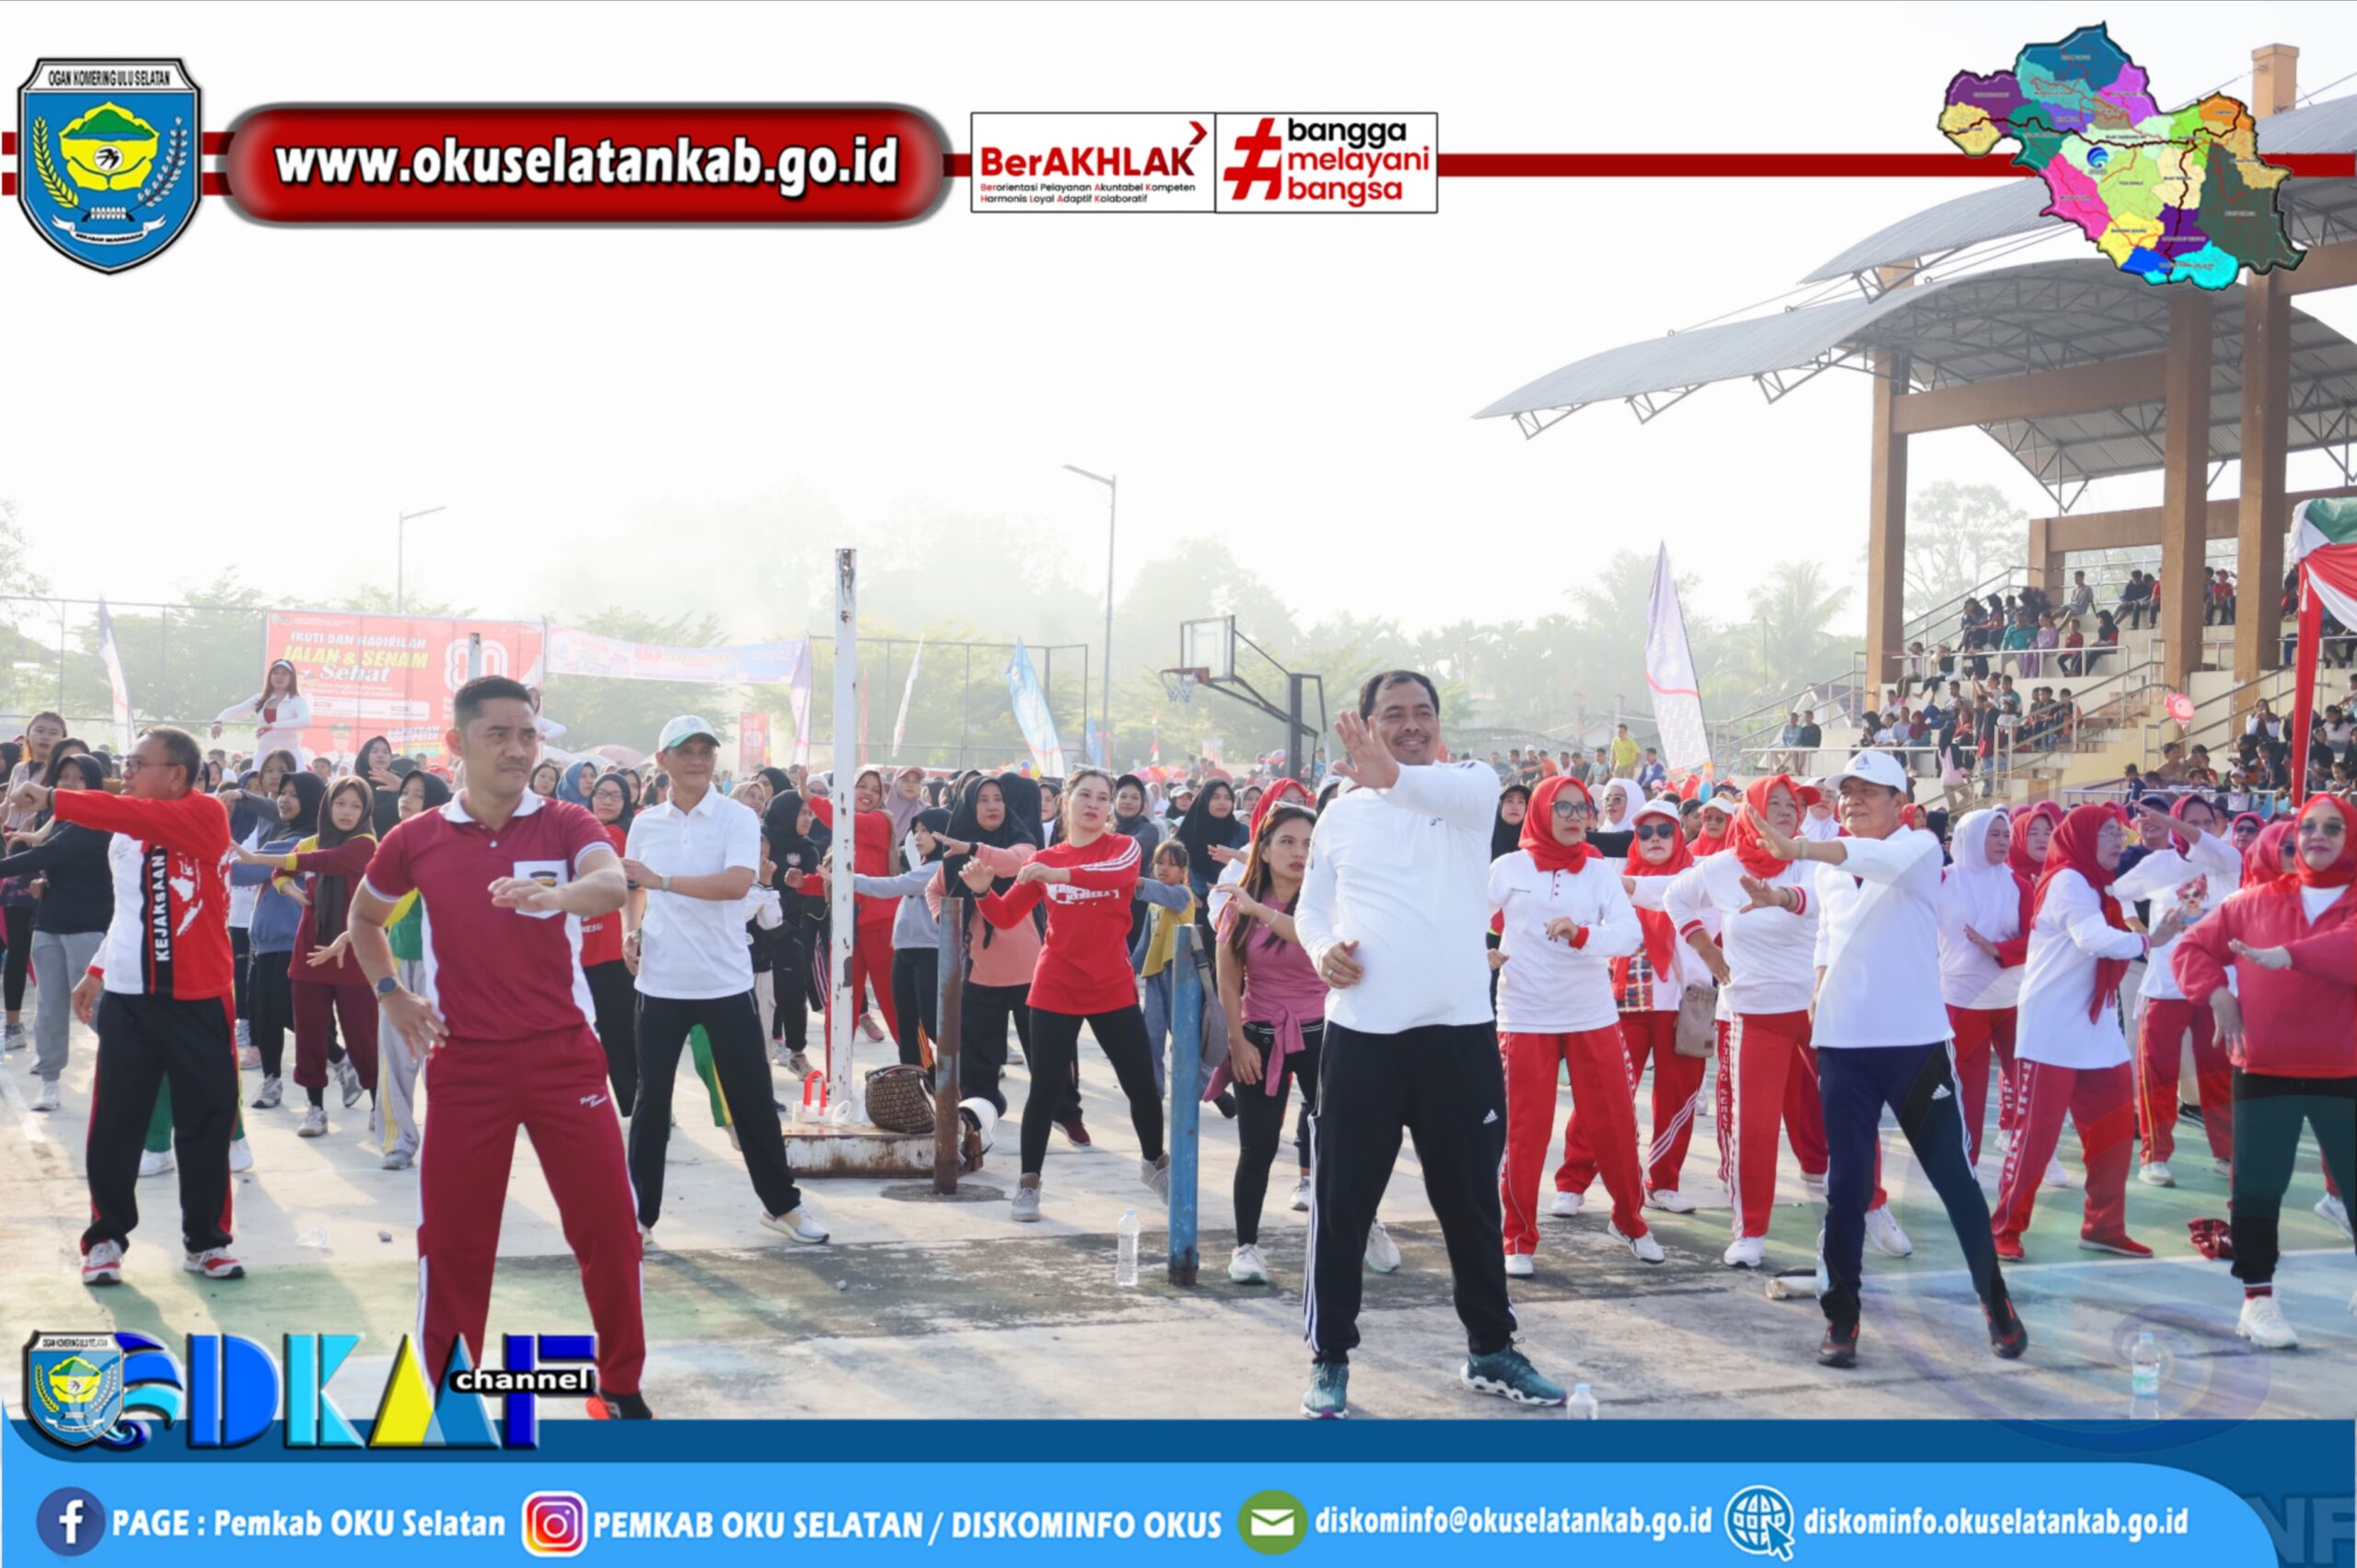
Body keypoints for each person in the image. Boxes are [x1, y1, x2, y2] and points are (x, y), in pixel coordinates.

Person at [343, 677, 647, 1416]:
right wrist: (391, 992)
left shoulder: (567, 821)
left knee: (610, 1228)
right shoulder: (415, 838)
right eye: (499, 734)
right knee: (455, 1240)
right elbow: (364, 919)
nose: (517, 749)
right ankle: (448, 1395)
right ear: (457, 742)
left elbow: (611, 883)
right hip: (465, 1064)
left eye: (528, 734)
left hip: (565, 1057)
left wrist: (558, 896)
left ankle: (619, 1384)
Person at [1294, 672, 1566, 1418]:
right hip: (1363, 1037)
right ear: (1367, 723)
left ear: (1439, 724)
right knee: (1342, 1207)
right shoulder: (1339, 817)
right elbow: (1312, 907)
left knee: (1472, 1205)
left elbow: (1411, 784)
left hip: (1458, 1036)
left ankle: (1491, 1349)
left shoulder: (1469, 788)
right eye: (1394, 714)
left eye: (1422, 712)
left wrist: (1388, 772)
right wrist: (1320, 949)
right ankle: (1329, 1355)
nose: (1411, 724)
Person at [1742, 751, 2026, 1367]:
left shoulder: (1918, 849)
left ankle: (1994, 1299)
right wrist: (1816, 978)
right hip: (1844, 1047)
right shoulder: (1830, 868)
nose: (1852, 800)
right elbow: (1827, 926)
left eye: (1869, 791)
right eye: (1847, 791)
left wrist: (1800, 849)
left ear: (1901, 803)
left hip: (1914, 1045)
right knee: (1846, 1188)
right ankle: (1841, 1318)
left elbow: (1862, 859)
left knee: (1953, 1180)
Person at [11, 727, 245, 1285]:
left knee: (206, 1125)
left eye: (140, 763)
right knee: (116, 1125)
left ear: (177, 775)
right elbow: (128, 912)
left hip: (200, 999)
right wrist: (96, 970)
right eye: (128, 762)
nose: (128, 772)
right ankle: (105, 1241)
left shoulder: (206, 814)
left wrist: (51, 796)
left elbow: (125, 812)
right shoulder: (125, 835)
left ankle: (207, 1243)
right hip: (130, 1000)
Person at [1667, 775, 1905, 1267]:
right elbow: (1675, 897)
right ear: (1749, 811)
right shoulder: (1721, 866)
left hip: (1824, 1008)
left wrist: (1779, 897)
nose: (1784, 811)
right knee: (1754, 1126)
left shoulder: (1814, 858)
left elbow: (1817, 900)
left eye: (1791, 804)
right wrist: (1706, 949)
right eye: (1772, 803)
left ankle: (1873, 1205)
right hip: (1756, 1011)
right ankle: (1750, 1231)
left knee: (1851, 1114)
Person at [621, 715, 825, 1247]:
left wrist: (663, 881)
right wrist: (631, 930)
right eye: (685, 750)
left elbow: (737, 884)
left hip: (724, 982)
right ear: (662, 761)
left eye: (705, 750)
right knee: (651, 1105)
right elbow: (634, 887)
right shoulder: (646, 824)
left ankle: (782, 1207)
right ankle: (639, 1217)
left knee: (752, 1100)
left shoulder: (736, 817)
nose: (697, 759)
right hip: (660, 983)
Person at [2173, 795, 2356, 1349]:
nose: (2318, 836)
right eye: (2308, 827)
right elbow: (2190, 949)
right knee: (2256, 1188)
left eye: (2333, 827)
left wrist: (2291, 955)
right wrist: (2217, 995)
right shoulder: (2252, 903)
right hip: (2264, 1068)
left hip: (2345, 1070)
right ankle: (2257, 1301)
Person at [973, 768, 1165, 1220]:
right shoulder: (1045, 859)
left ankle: (1154, 1164)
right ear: (1067, 801)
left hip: (1112, 985)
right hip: (1055, 985)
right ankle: (1028, 1184)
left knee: (1141, 1085)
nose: (1094, 804)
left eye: (1103, 797)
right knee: (1045, 1090)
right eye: (1085, 795)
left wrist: (1056, 873)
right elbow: (1005, 915)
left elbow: (1113, 876)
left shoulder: (1122, 848)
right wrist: (982, 892)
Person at [1488, 776, 1655, 1274]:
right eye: (1562, 807)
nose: (1574, 816)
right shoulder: (1509, 867)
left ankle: (1630, 1221)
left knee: (1616, 1126)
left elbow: (1629, 935)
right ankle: (1518, 1237)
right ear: (1541, 811)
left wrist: (1583, 935)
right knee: (1524, 1133)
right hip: (1525, 1015)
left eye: (1582, 807)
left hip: (1591, 1014)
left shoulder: (1599, 871)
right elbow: (1464, 918)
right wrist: (1481, 953)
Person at [1993, 804, 2175, 1261]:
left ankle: (2104, 1227)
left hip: (2096, 1027)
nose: (2119, 840)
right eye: (2108, 832)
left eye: (2120, 832)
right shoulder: (2069, 881)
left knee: (2113, 1135)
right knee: (2035, 1139)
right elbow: (2092, 939)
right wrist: (2151, 939)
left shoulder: (2101, 884)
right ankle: (2005, 1228)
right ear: (2082, 838)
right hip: (2052, 1028)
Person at [1213, 802, 1326, 1283]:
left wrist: (1260, 912)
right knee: (1257, 1146)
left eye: (1309, 844)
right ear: (1263, 848)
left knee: (1341, 1142)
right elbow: (1228, 977)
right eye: (1287, 842)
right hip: (1259, 1035)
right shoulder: (1239, 906)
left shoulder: (1326, 903)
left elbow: (1309, 939)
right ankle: (1246, 1246)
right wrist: (1237, 1040)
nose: (1299, 852)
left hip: (1323, 1035)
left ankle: (1362, 1226)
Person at [238, 775, 381, 1137]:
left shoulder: (365, 844)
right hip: (309, 950)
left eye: (355, 805)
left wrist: (257, 856)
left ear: (365, 811)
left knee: (362, 1035)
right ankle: (316, 1110)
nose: (346, 812)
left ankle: (379, 1105)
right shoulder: (309, 842)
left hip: (353, 951)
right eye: (340, 803)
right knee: (309, 1034)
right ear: (327, 806)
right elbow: (281, 873)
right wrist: (293, 892)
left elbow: (326, 860)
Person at [2111, 796, 2241, 1186]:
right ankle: (2154, 1156)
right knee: (2158, 1074)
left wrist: (2172, 821)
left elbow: (2206, 846)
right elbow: (2117, 890)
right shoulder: (2158, 864)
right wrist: (2136, 925)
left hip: (2216, 989)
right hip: (2166, 985)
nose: (2200, 829)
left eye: (2207, 822)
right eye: (2191, 821)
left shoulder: (2226, 862)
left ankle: (2227, 1152)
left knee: (2218, 1072)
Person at [0, 753, 114, 1111]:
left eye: (79, 778)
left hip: (87, 927)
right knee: (49, 1006)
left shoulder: (95, 822)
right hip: (48, 924)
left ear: (93, 784)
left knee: (94, 1005)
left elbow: (45, 856)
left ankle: (136, 1056)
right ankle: (49, 1082)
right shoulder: (57, 819)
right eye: (64, 776)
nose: (69, 783)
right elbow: (45, 858)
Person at [1936, 808, 2030, 1169]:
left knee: (2028, 1079)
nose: (2003, 842)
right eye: (1994, 834)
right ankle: (1966, 1162)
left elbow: (2037, 938)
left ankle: (2035, 1152)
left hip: (2011, 997)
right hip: (1962, 998)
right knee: (1967, 1089)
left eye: (2006, 835)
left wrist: (1998, 948)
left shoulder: (2018, 884)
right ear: (1971, 838)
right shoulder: (1942, 881)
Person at [2, 711, 69, 1045]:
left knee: (49, 950)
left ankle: (51, 1024)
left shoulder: (62, 775)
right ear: (28, 735)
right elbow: (9, 807)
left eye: (53, 732)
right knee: (17, 947)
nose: (45, 736)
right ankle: (13, 1024)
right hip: (16, 860)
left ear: (63, 739)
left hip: (48, 861)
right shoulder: (19, 769)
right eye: (40, 730)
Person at [213, 659, 311, 763]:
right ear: (270, 676)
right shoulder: (260, 699)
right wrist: (218, 722)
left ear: (291, 678)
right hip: (263, 758)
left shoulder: (297, 701)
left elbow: (305, 721)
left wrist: (272, 726)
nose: (279, 677)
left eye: (284, 674)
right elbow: (233, 711)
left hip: (291, 759)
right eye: (276, 673)